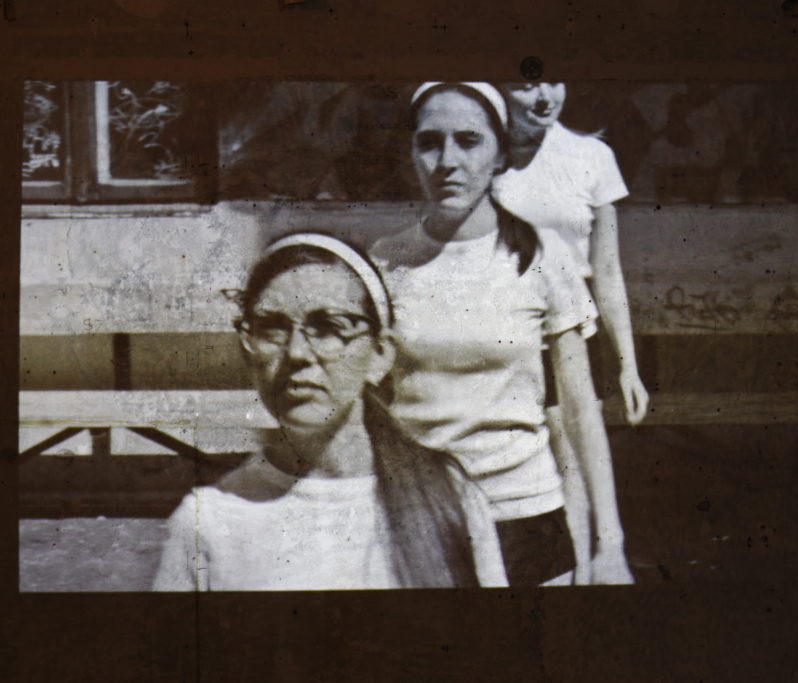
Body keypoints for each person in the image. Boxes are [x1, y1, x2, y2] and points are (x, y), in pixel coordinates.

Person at [370, 82, 633, 585]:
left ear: (500, 156)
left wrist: (610, 546)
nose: (448, 161)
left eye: (469, 141)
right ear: (411, 155)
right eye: (430, 143)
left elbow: (580, 412)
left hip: (527, 519)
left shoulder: (542, 253)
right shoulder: (385, 262)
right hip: (422, 520)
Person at [153, 232, 507, 590]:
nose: (297, 353)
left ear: (380, 354)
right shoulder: (208, 522)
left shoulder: (449, 497)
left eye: (328, 328)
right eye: (272, 329)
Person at [491, 82, 650, 580]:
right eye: (526, 85)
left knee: (574, 458)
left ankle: (595, 562)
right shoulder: (484, 158)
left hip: (574, 329)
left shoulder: (592, 156)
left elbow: (608, 271)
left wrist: (627, 364)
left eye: (553, 82)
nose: (544, 97)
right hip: (511, 330)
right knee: (538, 465)